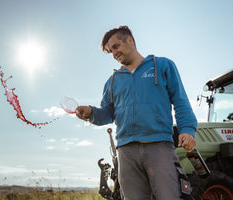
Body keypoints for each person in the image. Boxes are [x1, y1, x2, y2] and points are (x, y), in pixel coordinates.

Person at [76, 25, 197, 200]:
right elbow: (107, 114)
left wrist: (187, 130)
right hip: (126, 152)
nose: (114, 53)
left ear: (130, 40)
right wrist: (90, 113)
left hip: (159, 146)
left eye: (116, 46)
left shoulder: (162, 65)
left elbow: (180, 101)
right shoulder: (112, 81)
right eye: (111, 51)